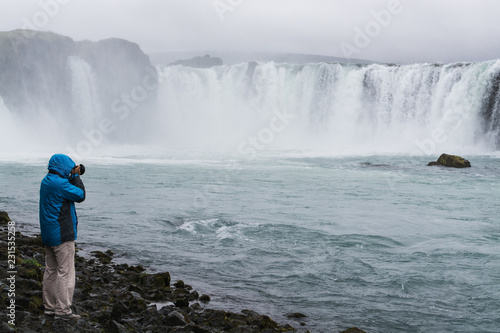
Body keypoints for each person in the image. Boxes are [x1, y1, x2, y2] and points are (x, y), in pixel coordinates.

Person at [39, 154, 86, 320]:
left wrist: (71, 174)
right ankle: (63, 311)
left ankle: (50, 308)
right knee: (65, 272)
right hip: (62, 235)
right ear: (64, 167)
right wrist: (76, 176)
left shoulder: (47, 181)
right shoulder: (61, 184)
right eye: (70, 166)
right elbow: (80, 195)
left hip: (48, 234)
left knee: (50, 271)